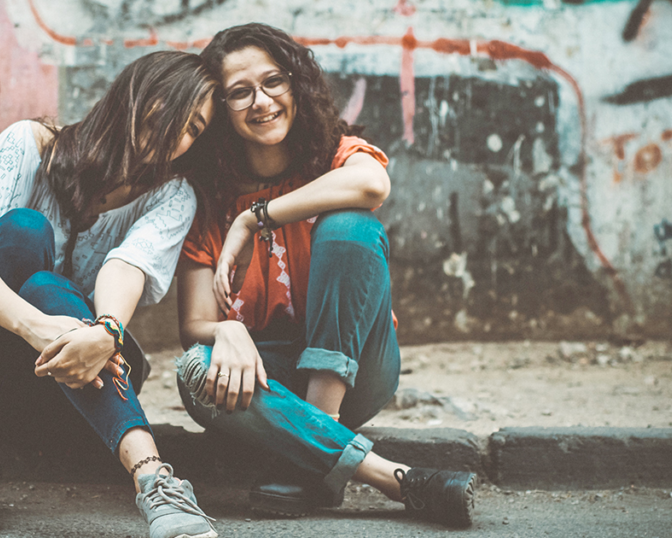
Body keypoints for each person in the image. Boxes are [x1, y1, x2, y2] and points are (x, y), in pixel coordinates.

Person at [175, 23, 476, 528]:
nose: (262, 101)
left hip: (359, 367)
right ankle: (384, 475)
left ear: (296, 83)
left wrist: (255, 218)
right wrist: (225, 329)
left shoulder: (334, 156)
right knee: (193, 371)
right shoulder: (207, 198)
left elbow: (371, 183)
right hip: (266, 380)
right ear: (221, 107)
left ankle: (317, 432)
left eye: (274, 82)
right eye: (240, 92)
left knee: (351, 225)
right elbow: (194, 325)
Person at [0, 50, 219, 538]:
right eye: (171, 106)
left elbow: (128, 266)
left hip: (85, 388)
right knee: (23, 231)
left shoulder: (173, 194)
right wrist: (36, 326)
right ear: (137, 90)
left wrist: (105, 332)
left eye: (193, 128)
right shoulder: (29, 145)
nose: (176, 133)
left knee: (49, 287)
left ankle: (156, 482)